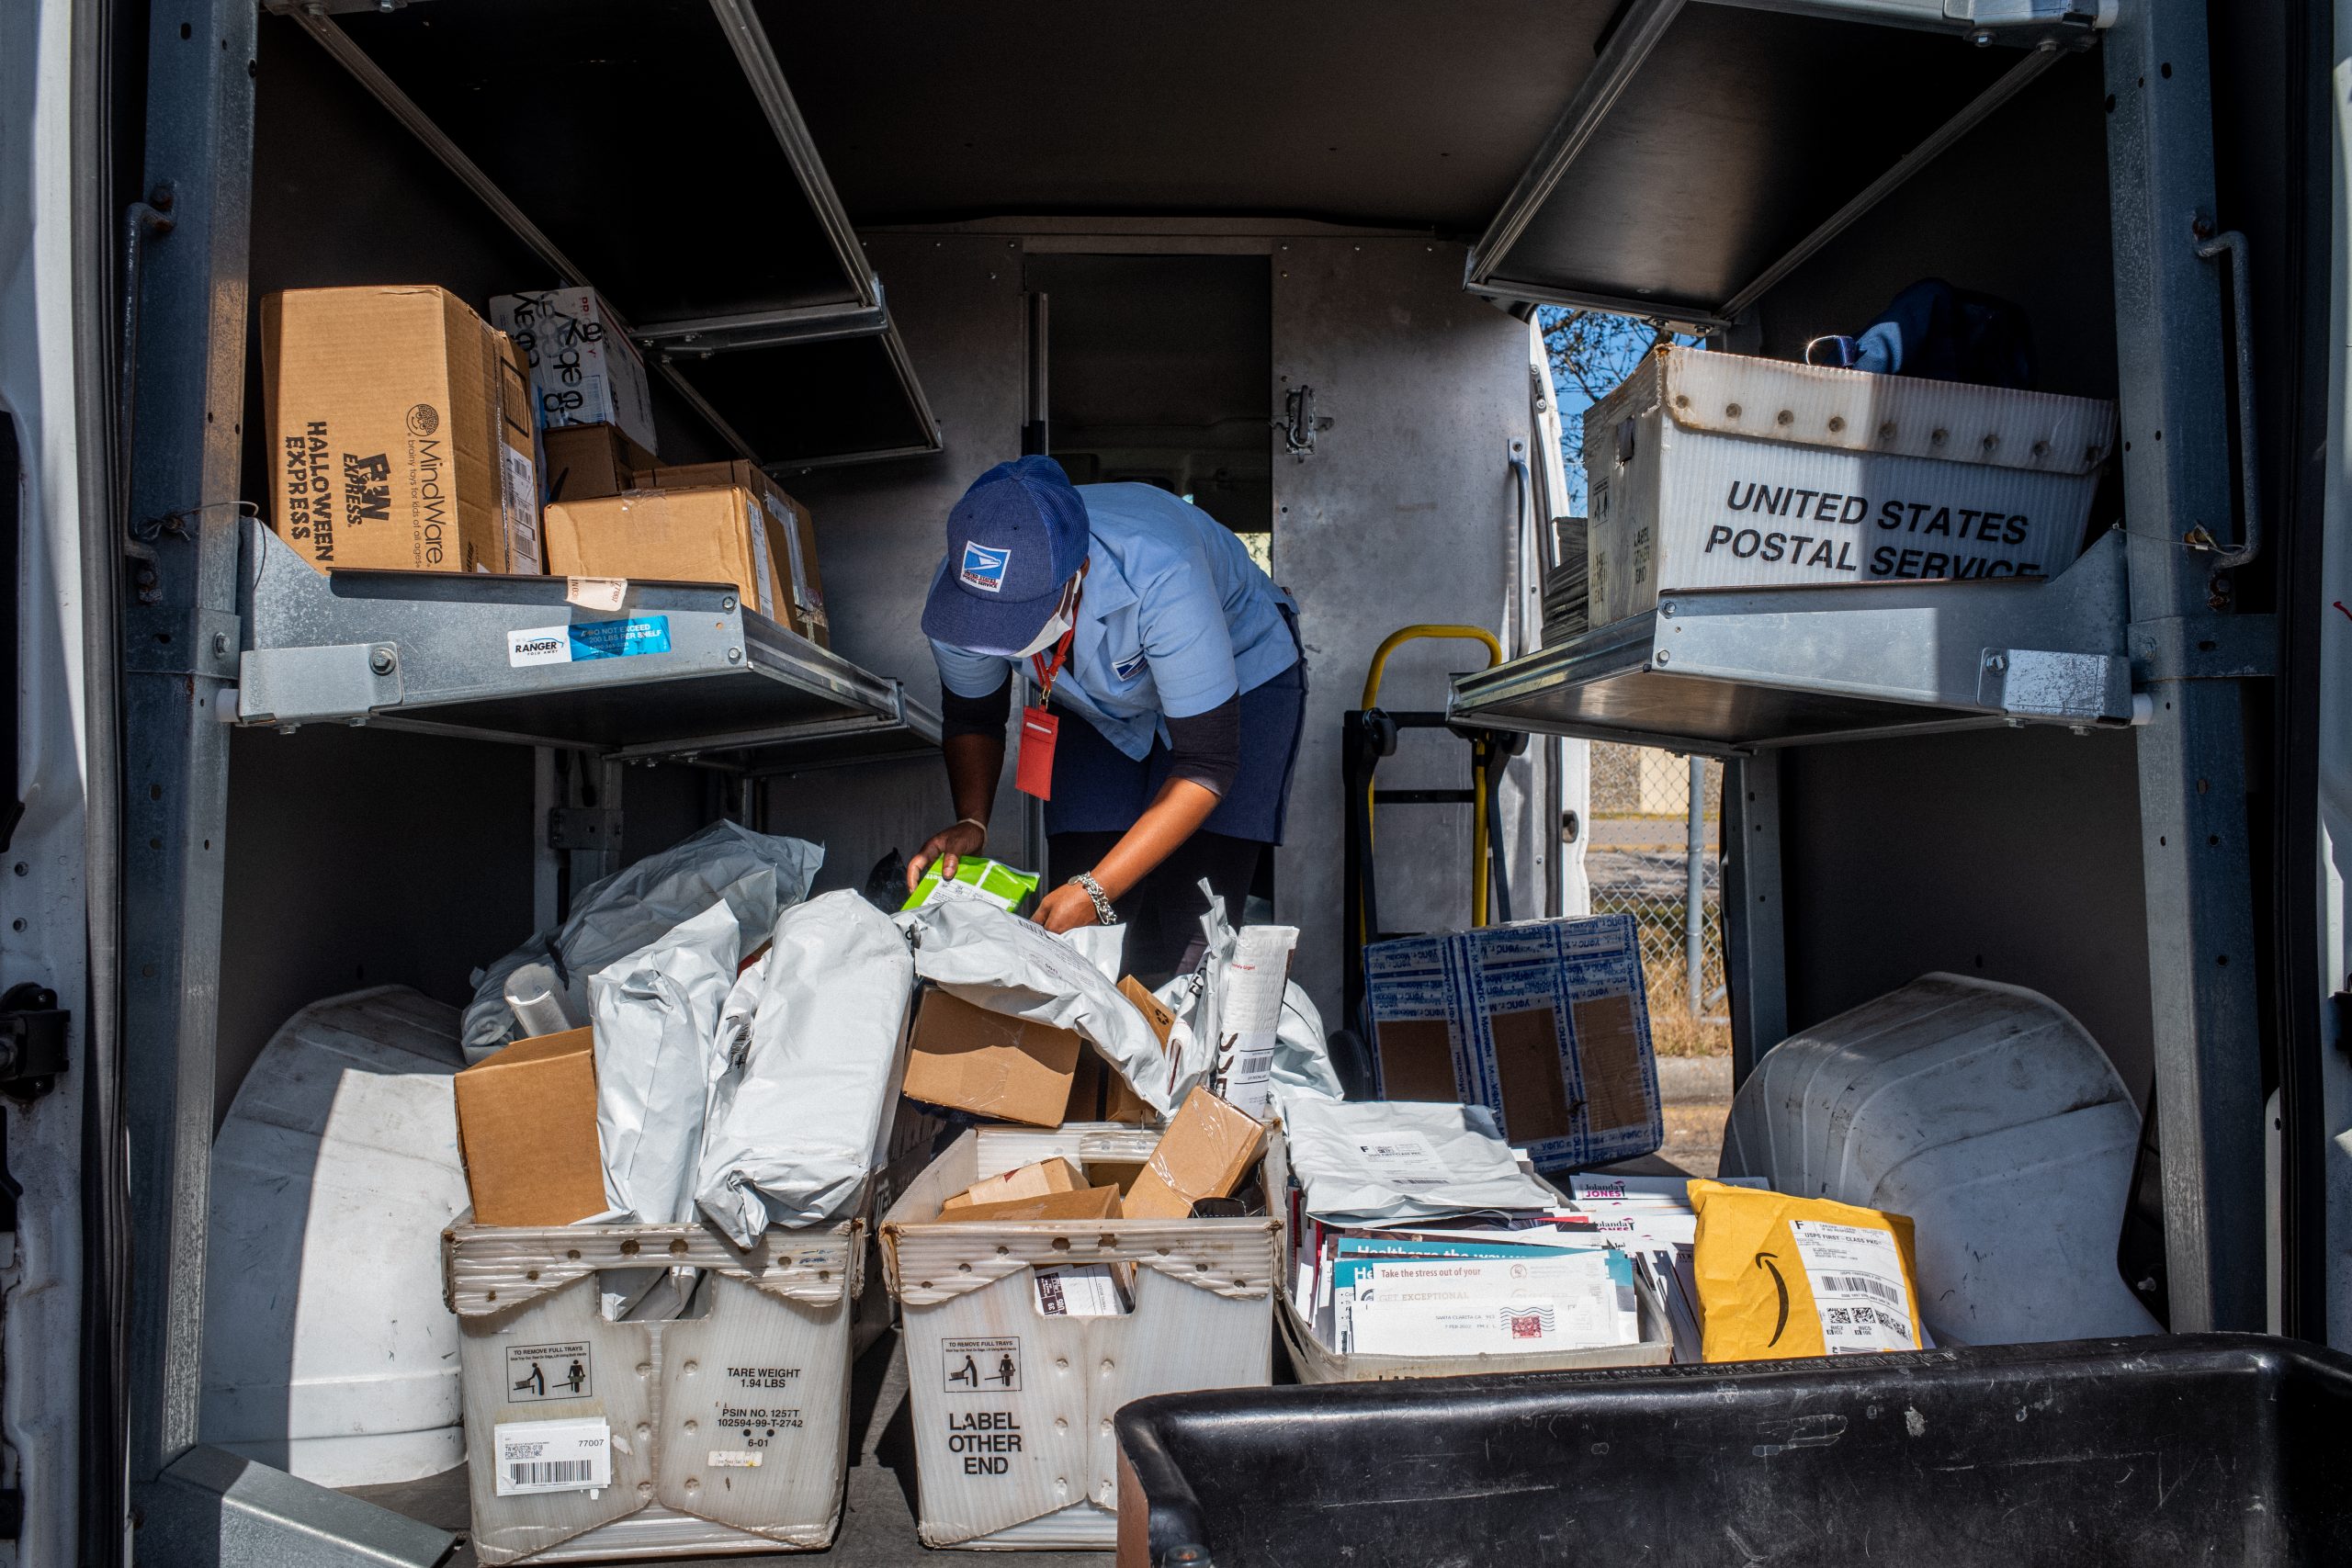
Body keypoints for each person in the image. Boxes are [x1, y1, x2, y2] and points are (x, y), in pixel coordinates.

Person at [907, 456, 1306, 978]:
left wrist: (1096, 889)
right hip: (1093, 703)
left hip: (1243, 676)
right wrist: (972, 820)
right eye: (988, 621)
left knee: (1192, 928)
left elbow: (1206, 763)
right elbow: (972, 716)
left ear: (1079, 575)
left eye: (1017, 620)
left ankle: (1183, 1049)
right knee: (1082, 915)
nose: (998, 637)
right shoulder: (964, 590)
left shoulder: (1164, 570)